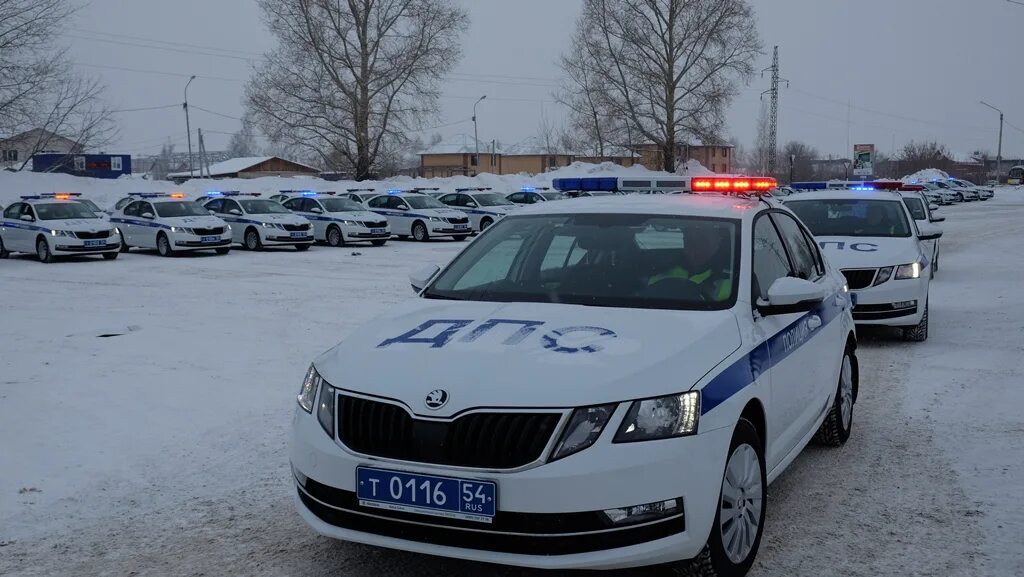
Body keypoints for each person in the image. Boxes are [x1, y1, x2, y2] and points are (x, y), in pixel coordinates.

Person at [646, 224, 733, 301]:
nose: (695, 247)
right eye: (689, 240)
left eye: (702, 240)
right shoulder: (661, 274)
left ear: (718, 242)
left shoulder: (733, 281)